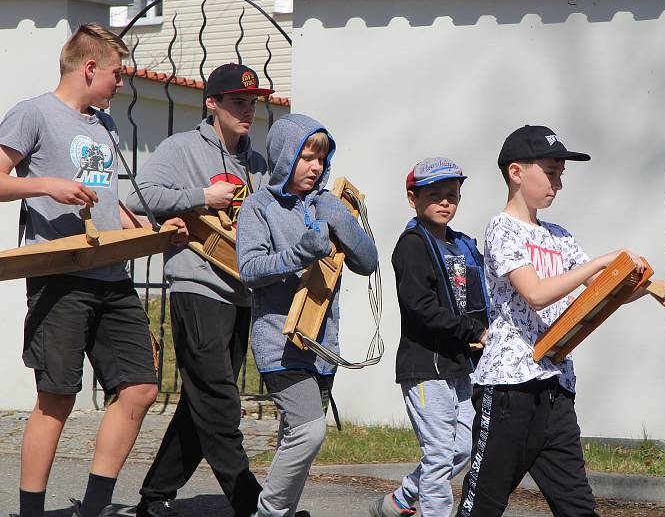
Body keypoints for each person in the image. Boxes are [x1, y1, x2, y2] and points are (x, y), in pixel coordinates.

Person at [0, 23, 186, 517]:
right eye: (117, 74)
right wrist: (47, 186)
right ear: (89, 68)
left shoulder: (104, 125)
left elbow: (108, 200)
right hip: (59, 276)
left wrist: (145, 226)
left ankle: (94, 508)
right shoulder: (33, 113)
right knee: (56, 398)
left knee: (141, 388)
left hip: (112, 275)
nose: (120, 84)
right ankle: (31, 513)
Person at [456, 125, 665, 517]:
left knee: (578, 507)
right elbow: (537, 292)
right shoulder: (501, 228)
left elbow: (601, 290)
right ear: (516, 172)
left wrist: (647, 286)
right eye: (551, 172)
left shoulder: (558, 235)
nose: (558, 184)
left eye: (561, 174)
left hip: (555, 387)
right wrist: (599, 261)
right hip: (509, 388)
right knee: (483, 507)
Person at [126, 63, 273, 517]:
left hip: (241, 292)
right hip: (196, 286)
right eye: (237, 102)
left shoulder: (257, 161)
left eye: (252, 102)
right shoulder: (182, 147)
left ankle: (154, 497)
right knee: (219, 400)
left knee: (199, 401)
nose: (247, 111)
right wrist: (200, 196)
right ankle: (252, 504)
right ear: (212, 103)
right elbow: (137, 196)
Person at [236, 113, 379, 517]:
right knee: (308, 431)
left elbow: (367, 263)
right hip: (279, 343)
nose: (315, 167)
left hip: (322, 344)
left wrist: (343, 224)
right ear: (284, 156)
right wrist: (299, 253)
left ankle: (282, 509)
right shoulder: (258, 207)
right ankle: (270, 512)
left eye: (321, 158)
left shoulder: (327, 203)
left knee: (293, 439)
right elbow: (249, 270)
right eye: (306, 157)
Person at [369, 158, 489, 517]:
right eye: (435, 195)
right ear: (413, 199)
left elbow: (476, 302)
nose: (445, 202)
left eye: (451, 195)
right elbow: (420, 306)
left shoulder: (461, 245)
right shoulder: (412, 245)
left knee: (464, 447)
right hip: (425, 367)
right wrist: (473, 330)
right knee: (438, 454)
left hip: (459, 365)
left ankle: (402, 499)